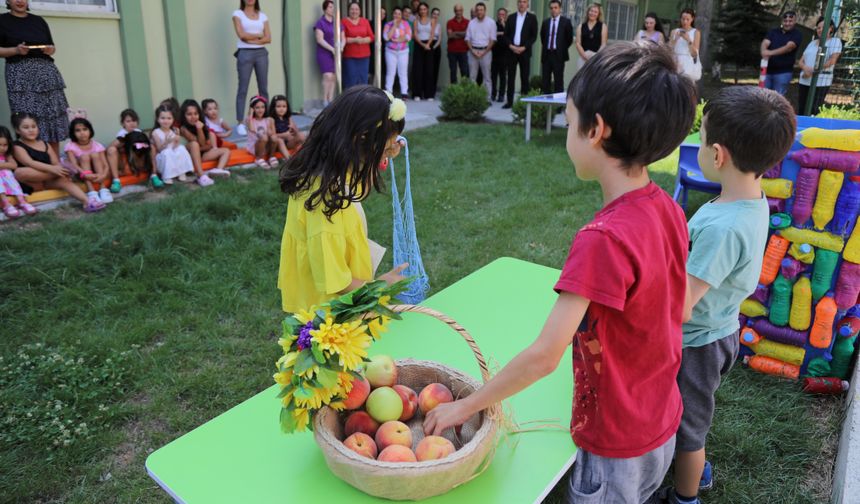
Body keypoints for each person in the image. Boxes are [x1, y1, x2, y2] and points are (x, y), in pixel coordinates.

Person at [423, 41, 697, 503]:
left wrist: (467, 406)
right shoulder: (668, 207)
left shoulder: (602, 238)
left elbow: (545, 356)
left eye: (569, 123)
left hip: (615, 442)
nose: (568, 133)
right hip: (661, 419)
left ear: (596, 131)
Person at [662, 87, 797, 504]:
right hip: (719, 328)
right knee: (692, 416)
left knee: (690, 429)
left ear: (717, 155)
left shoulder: (722, 230)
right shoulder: (750, 201)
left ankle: (687, 494)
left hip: (698, 343)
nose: (697, 146)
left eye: (700, 139)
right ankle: (693, 464)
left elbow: (681, 306)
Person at [277, 86, 409, 313]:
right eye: (385, 148)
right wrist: (382, 285)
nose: (388, 152)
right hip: (328, 316)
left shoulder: (332, 170)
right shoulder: (326, 204)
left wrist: (383, 156)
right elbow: (337, 283)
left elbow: (358, 191)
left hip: (339, 298)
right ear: (361, 141)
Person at [0, 0, 70, 156]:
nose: (20, 1)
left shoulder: (38, 20)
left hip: (46, 72)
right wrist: (15, 50)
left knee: (52, 117)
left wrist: (50, 49)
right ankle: (31, 163)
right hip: (20, 74)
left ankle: (55, 163)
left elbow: (52, 47)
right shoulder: (2, 21)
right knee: (26, 118)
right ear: (8, 1)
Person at [12, 112, 102, 212]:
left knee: (64, 180)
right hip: (32, 182)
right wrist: (54, 170)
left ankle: (87, 202)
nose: (31, 130)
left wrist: (59, 169)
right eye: (26, 127)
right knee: (20, 172)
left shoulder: (45, 144)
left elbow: (56, 162)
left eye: (34, 126)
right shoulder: (17, 146)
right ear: (17, 130)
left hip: (49, 181)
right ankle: (63, 174)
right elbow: (30, 163)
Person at [232, 0, 272, 137]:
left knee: (263, 88)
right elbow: (241, 35)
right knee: (243, 88)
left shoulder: (262, 16)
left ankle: (266, 119)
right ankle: (240, 122)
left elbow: (269, 38)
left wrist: (252, 39)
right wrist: (259, 36)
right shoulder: (238, 14)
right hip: (245, 53)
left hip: (261, 53)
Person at [151, 105, 210, 187]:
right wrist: (167, 141)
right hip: (163, 157)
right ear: (158, 119)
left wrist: (176, 140)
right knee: (167, 152)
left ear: (173, 119)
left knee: (181, 148)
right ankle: (167, 176)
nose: (166, 121)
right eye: (163, 118)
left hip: (172, 154)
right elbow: (160, 149)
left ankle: (181, 171)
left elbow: (175, 147)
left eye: (169, 118)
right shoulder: (156, 132)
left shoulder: (174, 130)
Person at [106, 109, 163, 190]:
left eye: (134, 120)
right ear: (123, 123)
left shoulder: (138, 132)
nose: (132, 123)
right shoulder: (122, 134)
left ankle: (154, 175)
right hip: (126, 162)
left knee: (152, 147)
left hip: (139, 160)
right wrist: (124, 141)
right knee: (111, 150)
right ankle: (116, 180)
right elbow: (110, 147)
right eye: (128, 121)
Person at [798, 16, 842, 116]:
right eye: (818, 27)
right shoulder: (812, 43)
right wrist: (805, 69)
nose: (820, 29)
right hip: (804, 80)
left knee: (814, 110)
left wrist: (813, 71)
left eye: (823, 27)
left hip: (821, 82)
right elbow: (800, 61)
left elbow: (832, 61)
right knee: (801, 109)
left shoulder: (835, 42)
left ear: (831, 28)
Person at [63, 117, 113, 205]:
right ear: (73, 133)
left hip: (98, 174)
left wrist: (104, 175)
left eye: (85, 129)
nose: (82, 133)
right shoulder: (70, 146)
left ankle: (103, 188)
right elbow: (74, 165)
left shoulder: (97, 145)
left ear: (90, 130)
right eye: (78, 130)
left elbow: (105, 165)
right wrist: (86, 175)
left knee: (95, 154)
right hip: (80, 174)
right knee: (84, 157)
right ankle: (92, 192)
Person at [179, 99, 231, 178]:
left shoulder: (201, 124)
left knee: (226, 151)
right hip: (189, 155)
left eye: (195, 114)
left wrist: (200, 130)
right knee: (194, 144)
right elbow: (199, 144)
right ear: (184, 115)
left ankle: (218, 170)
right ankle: (201, 174)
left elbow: (206, 144)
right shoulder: (184, 129)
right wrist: (199, 130)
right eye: (189, 114)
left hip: (201, 154)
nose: (193, 117)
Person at [503, 0, 538, 109]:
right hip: (512, 52)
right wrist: (511, 46)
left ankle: (523, 103)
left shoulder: (532, 18)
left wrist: (524, 47)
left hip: (524, 52)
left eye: (524, 2)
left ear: (527, 4)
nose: (522, 4)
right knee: (511, 77)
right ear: (517, 4)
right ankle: (509, 102)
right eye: (520, 2)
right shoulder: (511, 17)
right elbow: (506, 35)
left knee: (524, 78)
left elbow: (533, 36)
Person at [761, 11, 802, 97]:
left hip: (783, 73)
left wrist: (769, 53)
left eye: (790, 21)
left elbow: (789, 47)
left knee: (777, 99)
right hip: (767, 71)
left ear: (795, 21)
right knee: (762, 97)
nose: (787, 23)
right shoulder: (773, 32)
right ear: (782, 21)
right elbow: (765, 42)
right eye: (785, 21)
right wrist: (763, 51)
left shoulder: (797, 34)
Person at [0, 125, 37, 218]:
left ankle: (22, 201)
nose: (2, 148)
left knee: (8, 173)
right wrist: (5, 165)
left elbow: (13, 165)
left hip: (7, 178)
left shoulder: (6, 155)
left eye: (5, 145)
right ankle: (6, 204)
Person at [540, 0, 574, 95]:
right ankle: (545, 103)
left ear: (560, 9)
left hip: (558, 55)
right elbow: (543, 38)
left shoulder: (566, 22)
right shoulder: (545, 22)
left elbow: (569, 39)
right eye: (551, 8)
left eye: (555, 8)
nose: (553, 10)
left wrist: (560, 48)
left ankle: (558, 106)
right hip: (547, 54)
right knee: (545, 80)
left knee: (558, 80)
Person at [315, 1, 344, 108]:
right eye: (331, 7)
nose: (333, 9)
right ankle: (324, 100)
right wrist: (332, 49)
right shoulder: (320, 22)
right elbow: (319, 39)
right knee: (328, 75)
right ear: (325, 9)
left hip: (336, 53)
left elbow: (343, 37)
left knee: (334, 76)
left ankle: (331, 100)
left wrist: (341, 46)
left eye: (333, 7)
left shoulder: (337, 22)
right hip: (324, 53)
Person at [466, 3, 496, 100]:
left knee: (487, 77)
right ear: (475, 11)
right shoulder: (471, 23)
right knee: (472, 77)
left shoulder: (491, 22)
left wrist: (484, 52)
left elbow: (493, 40)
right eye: (477, 10)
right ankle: (473, 98)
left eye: (481, 10)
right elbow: (467, 39)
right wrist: (473, 50)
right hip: (473, 51)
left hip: (486, 52)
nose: (479, 12)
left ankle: (487, 99)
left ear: (485, 10)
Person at [342, 2, 375, 89]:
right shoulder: (344, 22)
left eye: (356, 9)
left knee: (363, 80)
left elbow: (371, 37)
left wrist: (363, 40)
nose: (354, 11)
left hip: (364, 56)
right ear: (348, 10)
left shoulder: (365, 21)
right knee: (350, 79)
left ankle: (361, 101)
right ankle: (350, 101)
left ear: (360, 11)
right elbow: (341, 38)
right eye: (352, 9)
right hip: (350, 57)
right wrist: (355, 40)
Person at [384, 7, 412, 99]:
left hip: (403, 51)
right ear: (393, 14)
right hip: (390, 51)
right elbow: (386, 37)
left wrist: (397, 40)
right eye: (395, 13)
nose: (397, 15)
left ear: (401, 15)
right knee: (390, 72)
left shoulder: (406, 24)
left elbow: (408, 36)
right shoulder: (388, 24)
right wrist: (394, 26)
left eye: (399, 14)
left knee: (403, 72)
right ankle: (389, 93)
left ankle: (404, 92)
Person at [245, 95, 280, 168]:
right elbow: (251, 129)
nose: (260, 110)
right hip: (254, 147)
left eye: (262, 107)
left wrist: (270, 133)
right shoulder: (249, 120)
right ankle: (258, 159)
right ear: (252, 109)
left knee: (274, 137)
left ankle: (271, 157)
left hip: (266, 146)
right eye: (257, 107)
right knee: (263, 137)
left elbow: (273, 134)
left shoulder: (268, 120)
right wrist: (250, 114)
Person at [411, 2, 437, 101]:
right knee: (418, 70)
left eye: (424, 9)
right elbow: (415, 35)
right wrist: (423, 45)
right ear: (419, 10)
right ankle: (417, 94)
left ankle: (429, 94)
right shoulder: (416, 21)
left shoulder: (432, 20)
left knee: (429, 70)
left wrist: (427, 44)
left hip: (428, 45)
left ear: (427, 9)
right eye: (421, 9)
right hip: (419, 45)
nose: (422, 11)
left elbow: (432, 34)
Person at [671, 8, 702, 83]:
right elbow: (669, 49)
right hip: (675, 62)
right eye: (683, 19)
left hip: (688, 64)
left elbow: (694, 54)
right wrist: (675, 40)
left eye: (687, 19)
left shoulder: (696, 32)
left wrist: (688, 40)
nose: (685, 21)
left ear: (692, 19)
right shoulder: (674, 31)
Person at [575, 3, 608, 71]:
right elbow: (578, 44)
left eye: (595, 12)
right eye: (591, 11)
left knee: (594, 80)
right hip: (583, 57)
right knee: (581, 80)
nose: (593, 13)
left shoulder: (603, 26)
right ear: (588, 12)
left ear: (598, 14)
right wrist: (585, 56)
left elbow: (603, 44)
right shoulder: (581, 26)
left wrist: (595, 57)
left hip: (597, 58)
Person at [491, 7, 509, 103]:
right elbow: (491, 34)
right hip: (494, 53)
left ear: (506, 15)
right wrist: (500, 33)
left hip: (505, 54)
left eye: (503, 14)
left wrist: (503, 27)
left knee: (503, 76)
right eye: (499, 14)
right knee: (493, 76)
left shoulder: (508, 24)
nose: (501, 16)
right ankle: (493, 94)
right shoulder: (493, 24)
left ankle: (501, 95)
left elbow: (509, 34)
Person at [431, 8, 443, 98]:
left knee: (435, 70)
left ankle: (433, 91)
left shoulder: (439, 25)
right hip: (427, 45)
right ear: (431, 14)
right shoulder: (427, 23)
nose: (435, 15)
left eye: (437, 14)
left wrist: (433, 48)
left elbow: (439, 39)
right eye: (434, 13)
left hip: (435, 47)